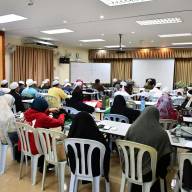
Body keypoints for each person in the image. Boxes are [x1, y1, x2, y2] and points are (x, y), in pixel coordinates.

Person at [125, 106, 172, 192]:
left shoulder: (132, 128)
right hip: (148, 174)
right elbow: (166, 159)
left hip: (130, 168)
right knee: (161, 162)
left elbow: (125, 146)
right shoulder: (162, 133)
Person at [18, 97, 65, 168]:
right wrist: (62, 115)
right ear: (42, 108)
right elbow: (59, 122)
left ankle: (41, 162)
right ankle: (50, 163)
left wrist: (49, 110)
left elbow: (37, 115)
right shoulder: (42, 117)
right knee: (58, 141)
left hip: (25, 144)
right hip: (36, 147)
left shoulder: (27, 112)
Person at [68, 112, 110, 181]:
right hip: (95, 170)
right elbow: (107, 151)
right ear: (91, 122)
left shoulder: (70, 139)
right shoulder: (98, 137)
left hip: (76, 168)